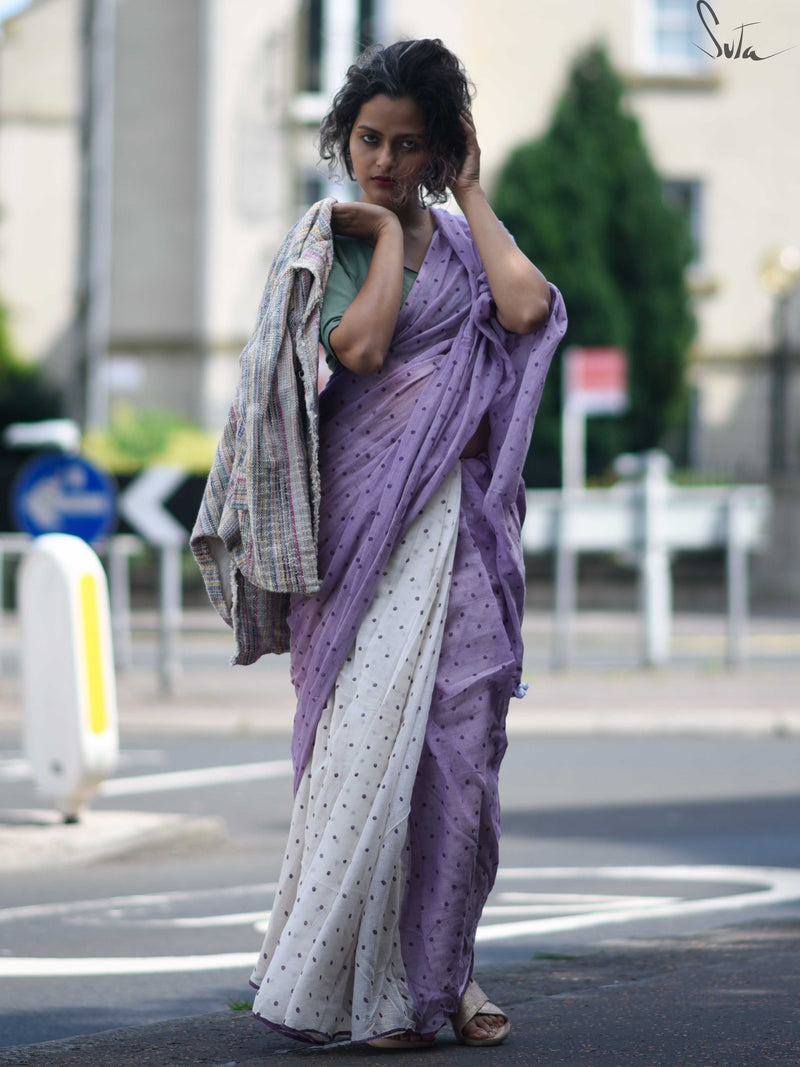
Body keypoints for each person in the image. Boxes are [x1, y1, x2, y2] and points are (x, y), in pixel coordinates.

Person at [192, 38, 566, 1049]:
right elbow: (356, 349)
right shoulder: (329, 234)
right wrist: (391, 238)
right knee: (369, 767)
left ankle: (448, 974)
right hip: (361, 544)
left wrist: (471, 195)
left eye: (409, 144)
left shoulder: (456, 236)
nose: (384, 162)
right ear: (343, 136)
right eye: (368, 138)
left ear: (439, 148)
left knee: (455, 764)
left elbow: (525, 308)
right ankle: (374, 993)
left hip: (457, 540)